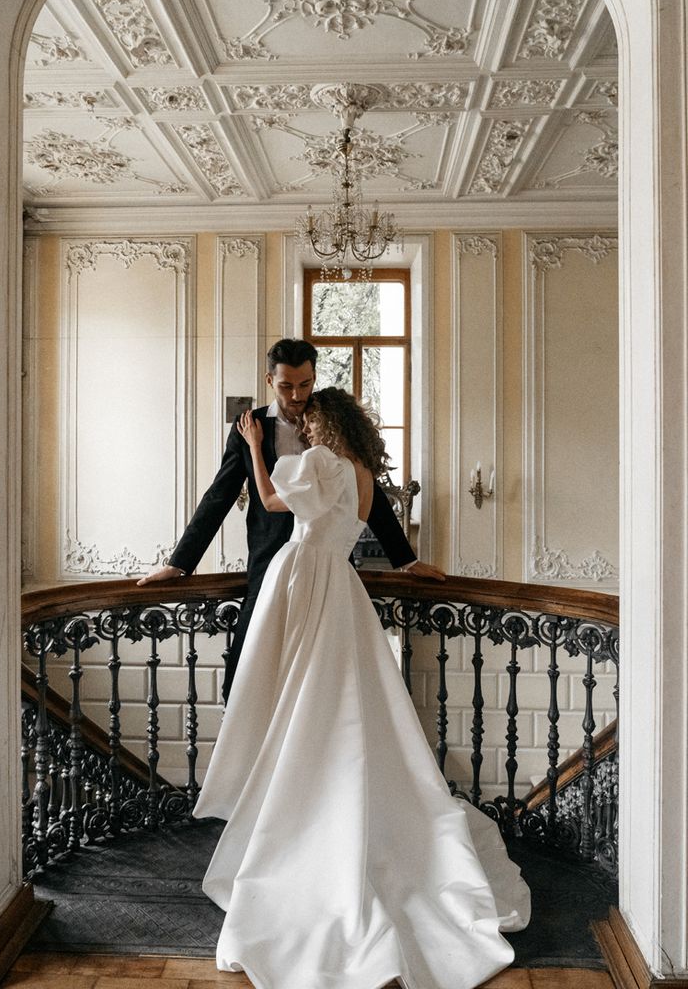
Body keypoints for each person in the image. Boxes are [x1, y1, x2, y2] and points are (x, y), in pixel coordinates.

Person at [193, 388, 530, 989]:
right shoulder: (365, 473)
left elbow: (270, 500)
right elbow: (364, 525)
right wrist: (407, 560)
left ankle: (297, 798)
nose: (305, 425)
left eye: (312, 419)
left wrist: (252, 446)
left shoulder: (319, 462)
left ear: (326, 425)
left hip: (302, 577)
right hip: (342, 585)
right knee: (343, 696)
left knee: (298, 691)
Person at [138, 338, 444, 702]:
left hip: (325, 570)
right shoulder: (248, 427)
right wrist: (179, 564)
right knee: (245, 678)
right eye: (286, 386)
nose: (297, 395)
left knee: (323, 681)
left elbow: (368, 490)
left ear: (314, 377)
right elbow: (219, 496)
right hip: (268, 564)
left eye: (305, 384)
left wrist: (405, 559)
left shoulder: (330, 423)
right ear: (270, 380)